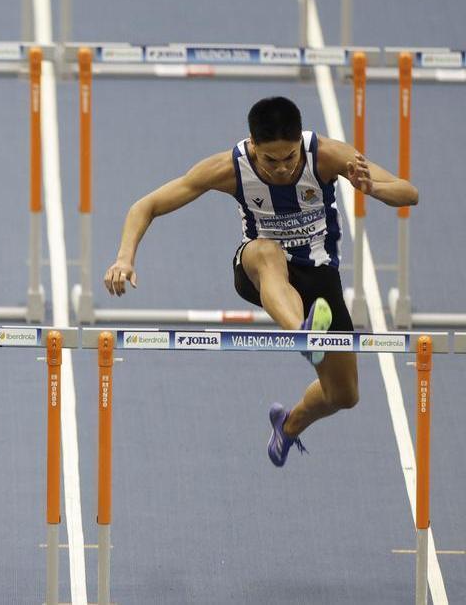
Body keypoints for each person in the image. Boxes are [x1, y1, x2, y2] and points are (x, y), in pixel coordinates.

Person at [102, 96, 418, 467]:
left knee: (344, 395)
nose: (283, 168)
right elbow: (146, 206)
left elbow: (408, 192)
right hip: (257, 267)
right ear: (253, 146)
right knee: (267, 253)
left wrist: (375, 189)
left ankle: (289, 424)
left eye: (290, 157)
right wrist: (124, 257)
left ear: (300, 141)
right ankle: (302, 334)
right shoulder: (228, 168)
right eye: (271, 160)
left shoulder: (328, 155)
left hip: (319, 277)